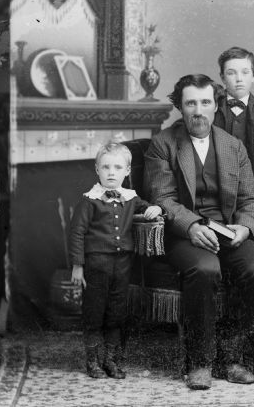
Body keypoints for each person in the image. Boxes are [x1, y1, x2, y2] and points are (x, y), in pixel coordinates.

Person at [143, 74, 254, 390]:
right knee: (204, 268)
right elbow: (162, 198)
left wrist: (245, 226)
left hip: (227, 230)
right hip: (184, 233)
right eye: (191, 103)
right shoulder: (163, 144)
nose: (198, 110)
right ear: (180, 107)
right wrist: (191, 226)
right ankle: (199, 360)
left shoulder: (233, 146)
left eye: (205, 102)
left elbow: (252, 199)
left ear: (216, 105)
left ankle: (229, 355)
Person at [69, 143, 162, 379]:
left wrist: (154, 208)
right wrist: (78, 267)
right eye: (106, 167)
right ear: (97, 170)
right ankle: (93, 363)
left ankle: (111, 361)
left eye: (118, 167)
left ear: (127, 171)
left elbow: (147, 207)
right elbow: (77, 233)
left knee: (117, 314)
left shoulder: (130, 198)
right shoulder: (90, 200)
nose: (111, 172)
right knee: (94, 313)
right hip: (96, 265)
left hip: (122, 266)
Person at [214, 46, 254, 196]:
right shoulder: (211, 109)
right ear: (222, 77)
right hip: (215, 187)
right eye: (231, 73)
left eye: (245, 72)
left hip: (250, 191)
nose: (239, 79)